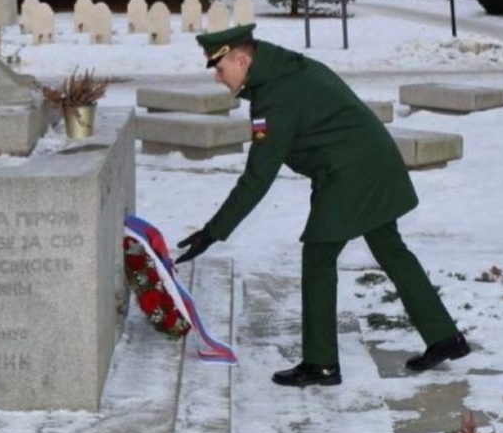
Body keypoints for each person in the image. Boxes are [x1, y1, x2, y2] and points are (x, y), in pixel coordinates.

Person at [174, 24, 470, 388]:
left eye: (220, 69)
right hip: (368, 161)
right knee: (390, 249)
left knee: (318, 256)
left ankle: (321, 363)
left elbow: (258, 176)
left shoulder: (275, 96)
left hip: (351, 172)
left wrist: (213, 231)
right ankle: (445, 337)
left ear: (240, 60)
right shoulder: (284, 70)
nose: (218, 78)